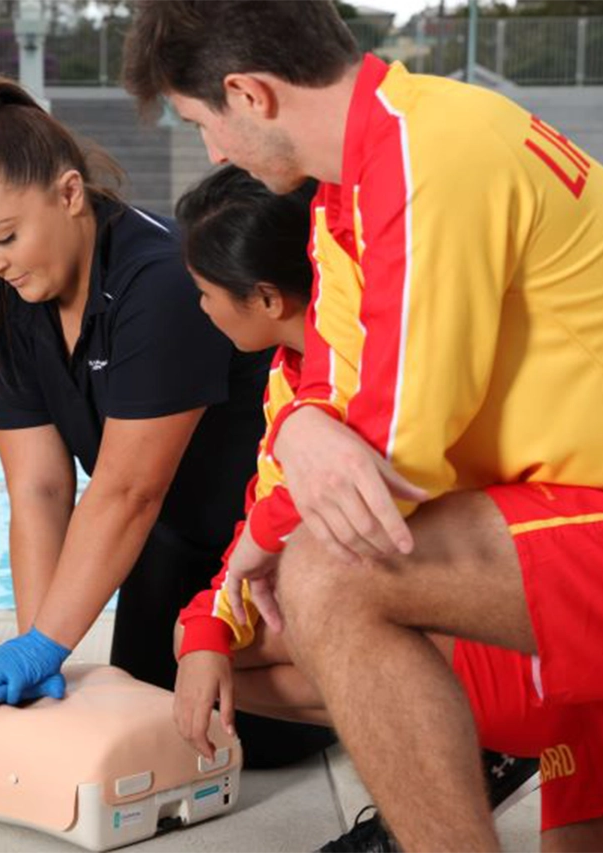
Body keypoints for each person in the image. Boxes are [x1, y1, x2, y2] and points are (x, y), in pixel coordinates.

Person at [123, 3, 603, 852]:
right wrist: (291, 455)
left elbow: (397, 447)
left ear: (248, 94)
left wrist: (267, 532)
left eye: (201, 122)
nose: (214, 153)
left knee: (332, 573)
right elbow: (327, 391)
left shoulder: (424, 151)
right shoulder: (350, 199)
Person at [0, 76, 334, 767]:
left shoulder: (162, 279)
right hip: (163, 549)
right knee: (145, 713)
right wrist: (38, 650)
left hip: (258, 550)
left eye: (4, 236)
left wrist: (46, 643)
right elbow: (39, 489)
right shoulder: (6, 298)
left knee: (241, 738)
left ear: (68, 194)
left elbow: (127, 489)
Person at [172, 165, 538, 853]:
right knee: (206, 648)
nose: (200, 310)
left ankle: (451, 764)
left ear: (268, 297)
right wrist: (205, 629)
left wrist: (234, 585)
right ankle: (466, 755)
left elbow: (288, 509)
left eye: (205, 293)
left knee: (303, 606)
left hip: (500, 626)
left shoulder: (374, 366)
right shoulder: (289, 378)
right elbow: (263, 510)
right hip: (434, 613)